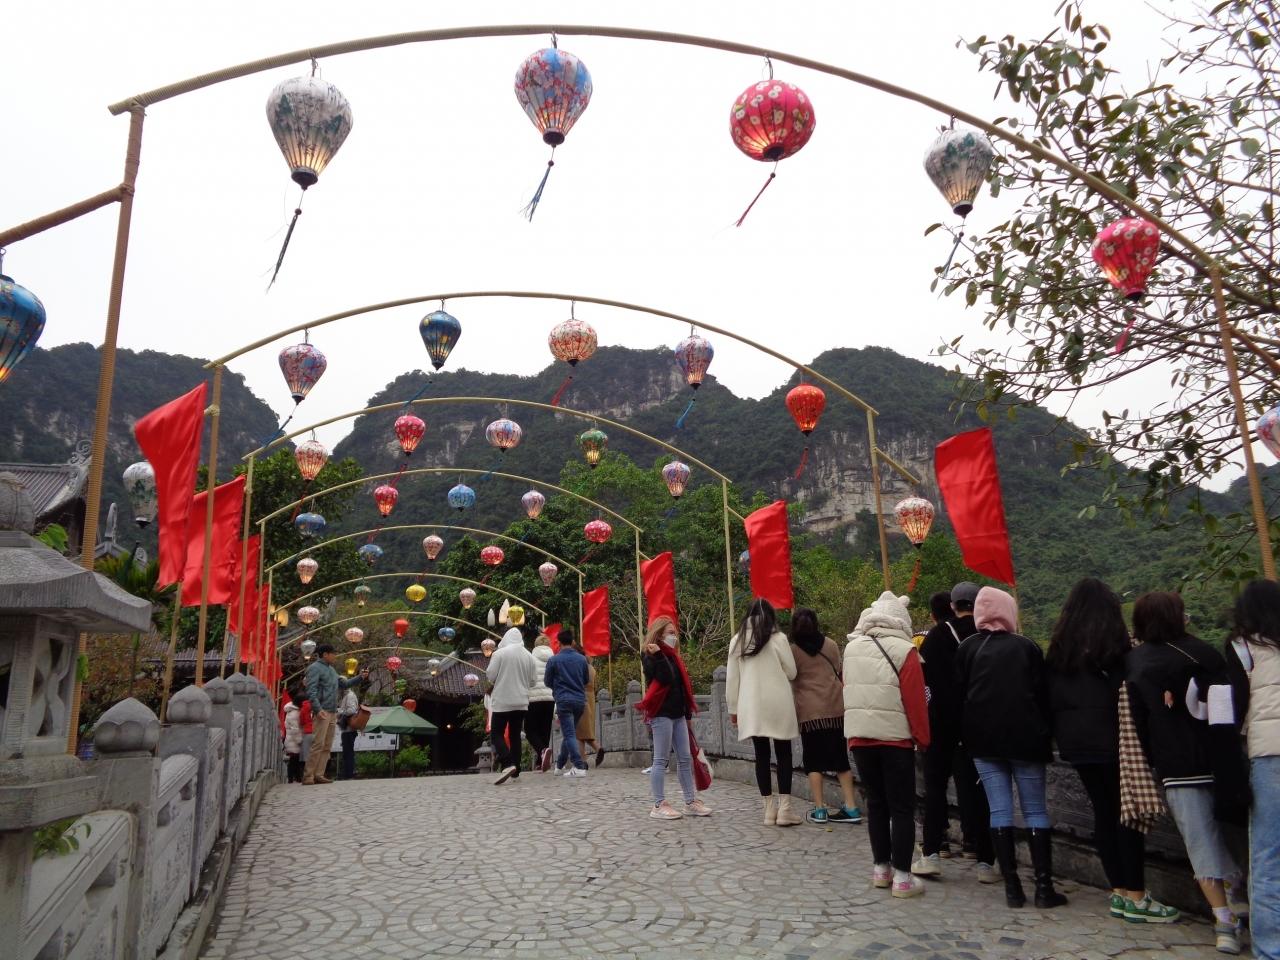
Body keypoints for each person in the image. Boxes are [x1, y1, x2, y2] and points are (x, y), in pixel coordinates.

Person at [1046, 578, 1179, 924]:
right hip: (1114, 741)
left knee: (1103, 814)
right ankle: (1136, 895)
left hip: (1075, 744)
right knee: (1127, 815)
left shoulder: (1059, 651)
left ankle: (1118, 890)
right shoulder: (1117, 649)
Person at [1128, 591, 1245, 953]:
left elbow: (1138, 722)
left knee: (1199, 841)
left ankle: (1224, 921)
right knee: (1239, 836)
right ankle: (1241, 899)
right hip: (1222, 758)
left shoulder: (1137, 662)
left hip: (1175, 765)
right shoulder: (1205, 653)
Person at [956, 586, 1066, 910]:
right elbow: (1043, 695)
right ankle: (1044, 887)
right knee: (1035, 810)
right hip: (1026, 739)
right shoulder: (1027, 647)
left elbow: (959, 695)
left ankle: (1012, 887)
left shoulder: (967, 648)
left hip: (982, 741)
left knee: (999, 810)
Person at [843, 591, 930, 900]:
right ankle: (903, 878)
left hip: (860, 738)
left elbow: (848, 690)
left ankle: (881, 869)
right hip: (895, 740)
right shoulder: (905, 650)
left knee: (876, 804)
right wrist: (923, 739)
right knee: (902, 808)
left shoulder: (851, 648)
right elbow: (915, 701)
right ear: (901, 619)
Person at [914, 588, 996, 882]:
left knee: (935, 788)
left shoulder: (937, 636)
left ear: (953, 605)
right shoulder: (987, 635)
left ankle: (932, 853)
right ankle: (985, 860)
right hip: (977, 723)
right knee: (977, 791)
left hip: (940, 722)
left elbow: (924, 681)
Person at [1226, 579, 1280, 960]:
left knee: (1267, 858)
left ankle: (1271, 951)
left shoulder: (1242, 648)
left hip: (1269, 756)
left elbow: (1233, 706)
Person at [727, 599, 802, 827]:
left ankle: (769, 811)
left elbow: (732, 679)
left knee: (761, 755)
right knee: (784, 754)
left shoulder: (737, 640)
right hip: (778, 702)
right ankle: (785, 809)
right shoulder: (778, 638)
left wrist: (733, 709)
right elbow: (792, 672)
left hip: (751, 705)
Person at [787, 607, 862, 825]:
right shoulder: (830, 644)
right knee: (840, 759)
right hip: (835, 708)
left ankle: (820, 809)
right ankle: (851, 807)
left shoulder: (792, 651)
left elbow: (790, 675)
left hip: (810, 712)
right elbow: (838, 668)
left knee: (813, 761)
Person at [637, 616, 712, 819]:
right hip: (661, 714)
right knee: (660, 759)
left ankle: (690, 801)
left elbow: (681, 687)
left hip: (678, 714)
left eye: (675, 633)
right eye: (670, 633)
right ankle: (658, 804)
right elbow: (665, 678)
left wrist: (687, 714)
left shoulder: (674, 656)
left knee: (685, 758)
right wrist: (659, 655)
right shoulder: (650, 655)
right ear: (659, 634)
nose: (674, 636)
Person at [303, 645, 368, 786]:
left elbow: (344, 684)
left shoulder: (331, 670)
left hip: (332, 711)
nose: (335, 656)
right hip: (322, 710)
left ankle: (319, 774)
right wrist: (317, 708)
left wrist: (360, 677)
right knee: (318, 744)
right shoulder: (314, 668)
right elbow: (311, 690)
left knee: (327, 745)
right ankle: (308, 775)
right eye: (333, 653)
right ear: (325, 654)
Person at [486, 606, 537, 785]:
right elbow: (533, 681)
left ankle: (508, 763)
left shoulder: (499, 654)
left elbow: (491, 676)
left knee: (496, 734)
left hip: (502, 701)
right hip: (521, 702)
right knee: (515, 735)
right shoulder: (529, 656)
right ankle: (516, 770)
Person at [543, 626, 591, 777]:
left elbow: (547, 681)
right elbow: (586, 680)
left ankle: (578, 766)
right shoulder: (582, 659)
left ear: (559, 642)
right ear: (572, 641)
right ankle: (559, 765)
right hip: (579, 700)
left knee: (569, 734)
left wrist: (557, 688)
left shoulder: (554, 660)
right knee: (569, 732)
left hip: (563, 699)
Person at [528, 633, 556, 772]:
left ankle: (542, 751)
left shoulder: (530, 659)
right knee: (545, 730)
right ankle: (541, 762)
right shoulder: (554, 659)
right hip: (550, 698)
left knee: (530, 730)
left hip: (533, 698)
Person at [336, 683, 360, 781]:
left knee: (348, 752)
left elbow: (352, 710)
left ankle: (349, 774)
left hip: (349, 729)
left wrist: (340, 712)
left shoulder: (349, 696)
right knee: (347, 752)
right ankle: (348, 773)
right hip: (347, 729)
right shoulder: (347, 695)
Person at [283, 690, 305, 784]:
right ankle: (292, 778)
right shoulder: (294, 713)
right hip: (293, 741)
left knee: (295, 760)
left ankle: (296, 777)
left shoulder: (293, 711)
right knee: (294, 761)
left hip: (292, 740)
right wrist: (300, 740)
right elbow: (295, 729)